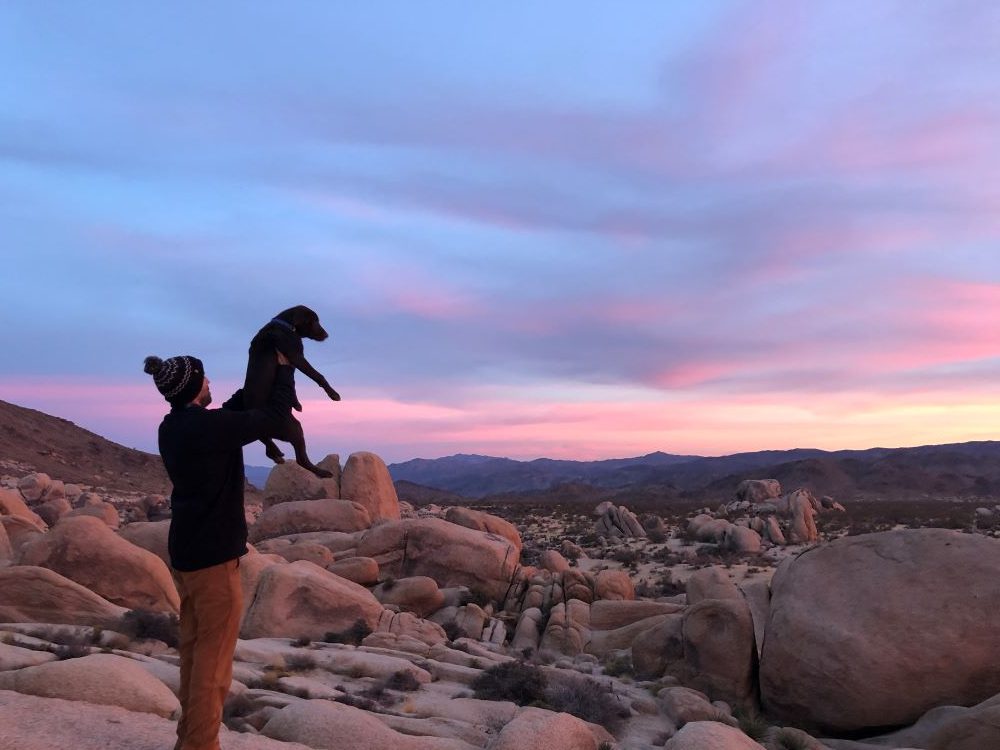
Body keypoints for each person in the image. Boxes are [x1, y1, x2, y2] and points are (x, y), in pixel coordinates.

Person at [144, 351, 294, 750]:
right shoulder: (205, 430)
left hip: (188, 555)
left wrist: (255, 381)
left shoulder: (174, 426)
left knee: (194, 655)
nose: (211, 384)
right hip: (212, 561)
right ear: (194, 388)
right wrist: (284, 369)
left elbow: (231, 413)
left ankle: (188, 741)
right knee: (213, 667)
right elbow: (274, 416)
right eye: (206, 379)